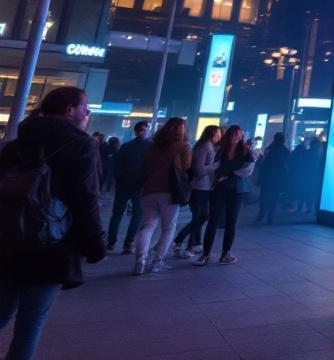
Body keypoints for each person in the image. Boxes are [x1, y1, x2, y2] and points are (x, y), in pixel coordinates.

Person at [0, 87, 107, 360]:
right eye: (85, 107)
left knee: (2, 310)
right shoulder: (83, 145)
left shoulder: (16, 143)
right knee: (30, 323)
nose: (88, 113)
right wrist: (95, 244)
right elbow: (87, 199)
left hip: (7, 237)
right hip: (50, 243)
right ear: (69, 109)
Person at [132, 117, 192, 275]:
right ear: (181, 129)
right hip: (170, 192)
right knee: (168, 227)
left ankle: (140, 260)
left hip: (149, 190)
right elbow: (187, 166)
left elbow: (144, 169)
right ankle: (157, 261)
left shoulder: (152, 147)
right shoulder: (183, 146)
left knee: (147, 226)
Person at [196, 125, 254, 265]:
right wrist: (218, 177)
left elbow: (248, 170)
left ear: (241, 136)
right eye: (234, 134)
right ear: (228, 135)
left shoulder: (246, 151)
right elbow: (214, 167)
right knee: (213, 220)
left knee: (231, 222)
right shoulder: (220, 150)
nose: (236, 137)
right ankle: (205, 254)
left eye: (238, 134)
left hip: (236, 190)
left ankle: (225, 253)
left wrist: (228, 174)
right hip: (220, 188)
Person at [172, 125, 220, 258]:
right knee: (198, 217)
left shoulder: (206, 146)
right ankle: (185, 244)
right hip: (200, 187)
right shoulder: (205, 147)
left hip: (205, 187)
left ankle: (185, 241)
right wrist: (215, 166)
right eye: (218, 134)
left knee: (202, 216)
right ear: (212, 134)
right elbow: (199, 170)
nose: (219, 136)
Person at [107, 121, 150, 254]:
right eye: (144, 129)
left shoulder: (126, 146)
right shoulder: (150, 147)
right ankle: (128, 243)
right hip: (138, 186)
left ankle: (111, 242)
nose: (145, 132)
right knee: (136, 215)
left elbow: (116, 166)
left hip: (124, 185)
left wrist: (118, 180)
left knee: (118, 214)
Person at [256, 132, 290, 223]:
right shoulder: (285, 150)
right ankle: (270, 215)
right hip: (278, 178)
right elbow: (288, 165)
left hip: (267, 177)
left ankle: (261, 214)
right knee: (274, 197)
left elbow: (262, 163)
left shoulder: (270, 148)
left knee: (264, 196)